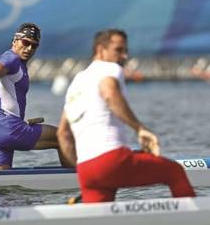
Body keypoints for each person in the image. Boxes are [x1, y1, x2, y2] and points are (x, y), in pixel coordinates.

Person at [56, 28, 196, 203]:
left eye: (126, 50)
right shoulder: (109, 68)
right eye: (118, 50)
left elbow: (63, 133)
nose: (124, 56)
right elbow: (109, 93)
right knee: (175, 172)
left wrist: (85, 166)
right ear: (100, 50)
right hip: (112, 160)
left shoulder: (77, 82)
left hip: (86, 171)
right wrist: (140, 129)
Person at [0, 22, 72, 170]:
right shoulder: (11, 59)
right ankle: (76, 180)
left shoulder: (14, 63)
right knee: (63, 136)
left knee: (0, 186)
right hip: (10, 129)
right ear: (15, 41)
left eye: (34, 46)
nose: (29, 48)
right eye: (26, 43)